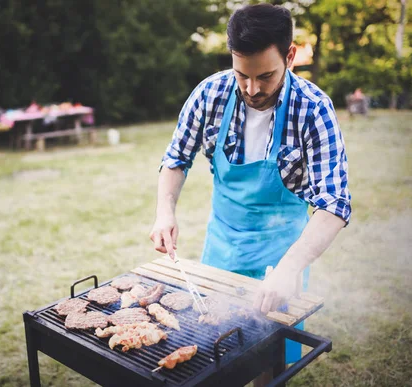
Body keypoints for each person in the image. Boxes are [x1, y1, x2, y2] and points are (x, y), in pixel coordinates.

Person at [149, 3, 351, 371]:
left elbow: (334, 205)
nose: (252, 88)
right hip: (222, 251)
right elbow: (176, 158)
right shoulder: (210, 94)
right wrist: (165, 212)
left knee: (271, 361)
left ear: (290, 55)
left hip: (283, 257)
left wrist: (290, 269)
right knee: (215, 353)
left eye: (266, 77)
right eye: (242, 74)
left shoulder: (313, 110)